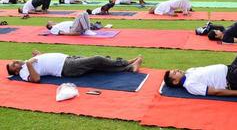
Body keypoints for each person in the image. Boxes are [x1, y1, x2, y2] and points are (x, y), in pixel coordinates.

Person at [164, 42, 237, 100]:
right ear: (175, 82)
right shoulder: (190, 85)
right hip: (232, 81)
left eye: (175, 70)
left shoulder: (188, 72)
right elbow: (216, 91)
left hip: (230, 69)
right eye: (175, 73)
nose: (177, 70)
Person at [6, 50, 143, 83]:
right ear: (16, 71)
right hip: (66, 68)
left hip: (68, 59)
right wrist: (29, 63)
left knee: (98, 65)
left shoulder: (27, 62)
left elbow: (44, 63)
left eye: (14, 62)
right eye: (14, 65)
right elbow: (36, 79)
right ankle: (127, 62)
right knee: (97, 59)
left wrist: (40, 55)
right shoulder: (24, 73)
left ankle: (130, 68)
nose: (15, 62)